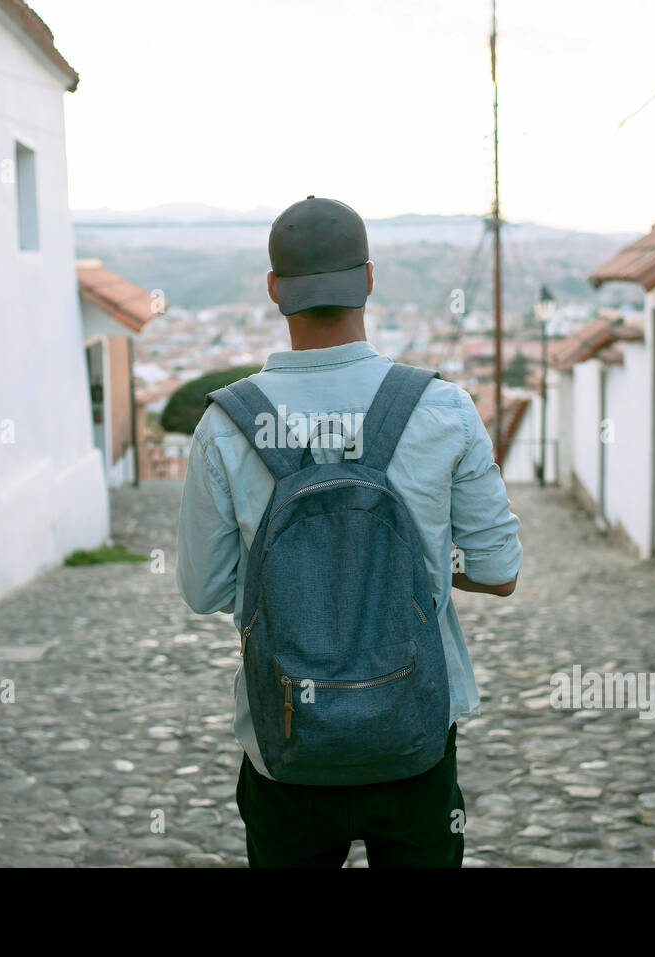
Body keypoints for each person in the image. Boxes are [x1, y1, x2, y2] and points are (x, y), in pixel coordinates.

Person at [176, 195, 522, 867]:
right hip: (414, 741)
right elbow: (499, 571)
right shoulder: (441, 408)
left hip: (285, 745)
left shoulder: (225, 425)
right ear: (368, 278)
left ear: (275, 291)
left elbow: (204, 587)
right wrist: (416, 564)